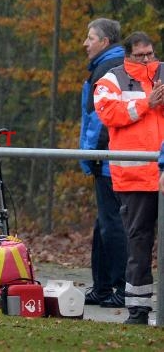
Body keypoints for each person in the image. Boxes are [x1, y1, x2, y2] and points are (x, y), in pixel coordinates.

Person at [94, 31, 164, 325]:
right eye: (141, 55)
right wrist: (148, 102)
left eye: (150, 53)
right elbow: (108, 113)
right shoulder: (112, 79)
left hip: (160, 173)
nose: (147, 59)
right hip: (134, 177)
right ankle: (138, 309)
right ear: (128, 55)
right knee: (138, 243)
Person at [79, 18, 127, 308]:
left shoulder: (108, 69)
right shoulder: (105, 66)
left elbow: (100, 120)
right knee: (103, 225)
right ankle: (102, 286)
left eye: (90, 37)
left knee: (113, 225)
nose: (85, 43)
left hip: (109, 162)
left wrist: (93, 157)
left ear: (105, 42)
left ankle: (121, 288)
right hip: (106, 161)